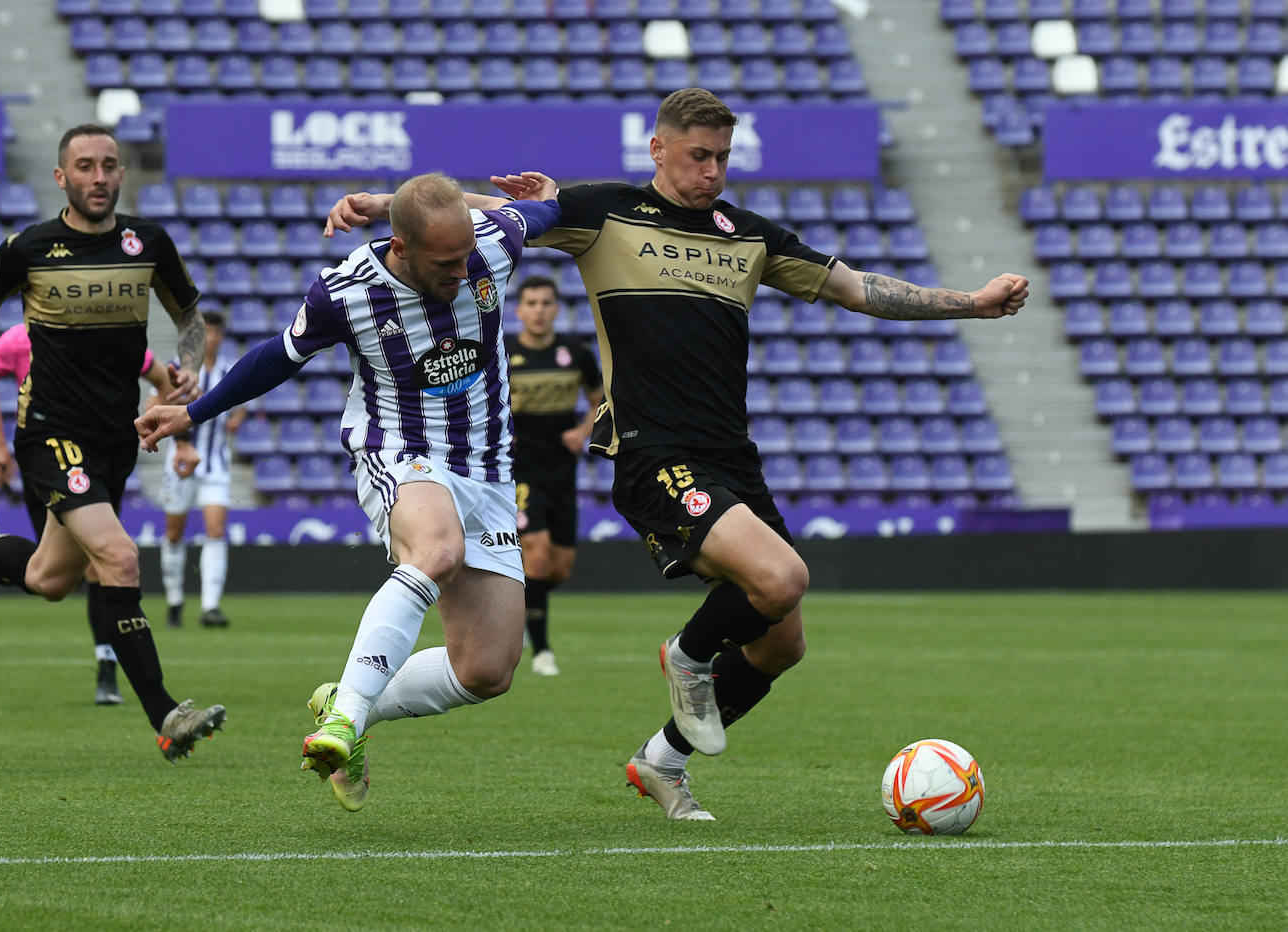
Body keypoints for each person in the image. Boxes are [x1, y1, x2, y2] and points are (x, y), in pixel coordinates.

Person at [325, 88, 1029, 820]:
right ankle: (688, 657)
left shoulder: (751, 235)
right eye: (699, 156)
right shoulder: (607, 212)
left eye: (723, 157)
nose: (712, 172)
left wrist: (970, 303)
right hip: (651, 449)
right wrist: (385, 203)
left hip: (732, 456)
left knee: (781, 641)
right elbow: (483, 214)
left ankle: (661, 760)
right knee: (784, 575)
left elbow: (860, 289)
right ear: (659, 149)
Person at [136, 171, 562, 811]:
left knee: (486, 671)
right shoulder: (347, 289)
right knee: (436, 551)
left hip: (489, 470)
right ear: (401, 246)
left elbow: (546, 209)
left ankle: (349, 705)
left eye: (463, 255)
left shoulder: (494, 240)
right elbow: (277, 357)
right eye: (443, 263)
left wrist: (529, 200)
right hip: (400, 450)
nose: (459, 271)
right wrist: (192, 415)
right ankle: (342, 722)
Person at [0, 123, 226, 762]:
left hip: (115, 437)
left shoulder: (147, 243)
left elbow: (188, 315)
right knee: (118, 558)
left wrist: (188, 362)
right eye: (85, 165)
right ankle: (166, 714)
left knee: (49, 578)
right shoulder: (31, 248)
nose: (100, 176)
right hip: (50, 433)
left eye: (109, 165)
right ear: (62, 177)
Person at [0, 320, 201, 703]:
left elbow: (161, 379)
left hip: (98, 463)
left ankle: (107, 670)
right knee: (48, 578)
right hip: (47, 462)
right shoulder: (18, 339)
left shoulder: (109, 334)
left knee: (99, 563)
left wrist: (177, 437)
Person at [504, 275, 603, 676]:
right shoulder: (503, 352)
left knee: (559, 567)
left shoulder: (576, 352)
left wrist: (583, 432)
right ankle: (542, 650)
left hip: (562, 469)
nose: (539, 310)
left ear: (556, 308)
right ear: (519, 311)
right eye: (532, 303)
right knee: (538, 553)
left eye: (546, 303)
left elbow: (600, 400)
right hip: (520, 467)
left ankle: (529, 609)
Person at [153, 309, 243, 630]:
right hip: (179, 463)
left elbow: (242, 404)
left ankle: (210, 607)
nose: (213, 339)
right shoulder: (176, 368)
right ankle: (175, 600)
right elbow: (154, 405)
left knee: (216, 530)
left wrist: (235, 420)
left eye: (217, 333)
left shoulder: (230, 369)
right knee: (174, 533)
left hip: (215, 463)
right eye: (207, 333)